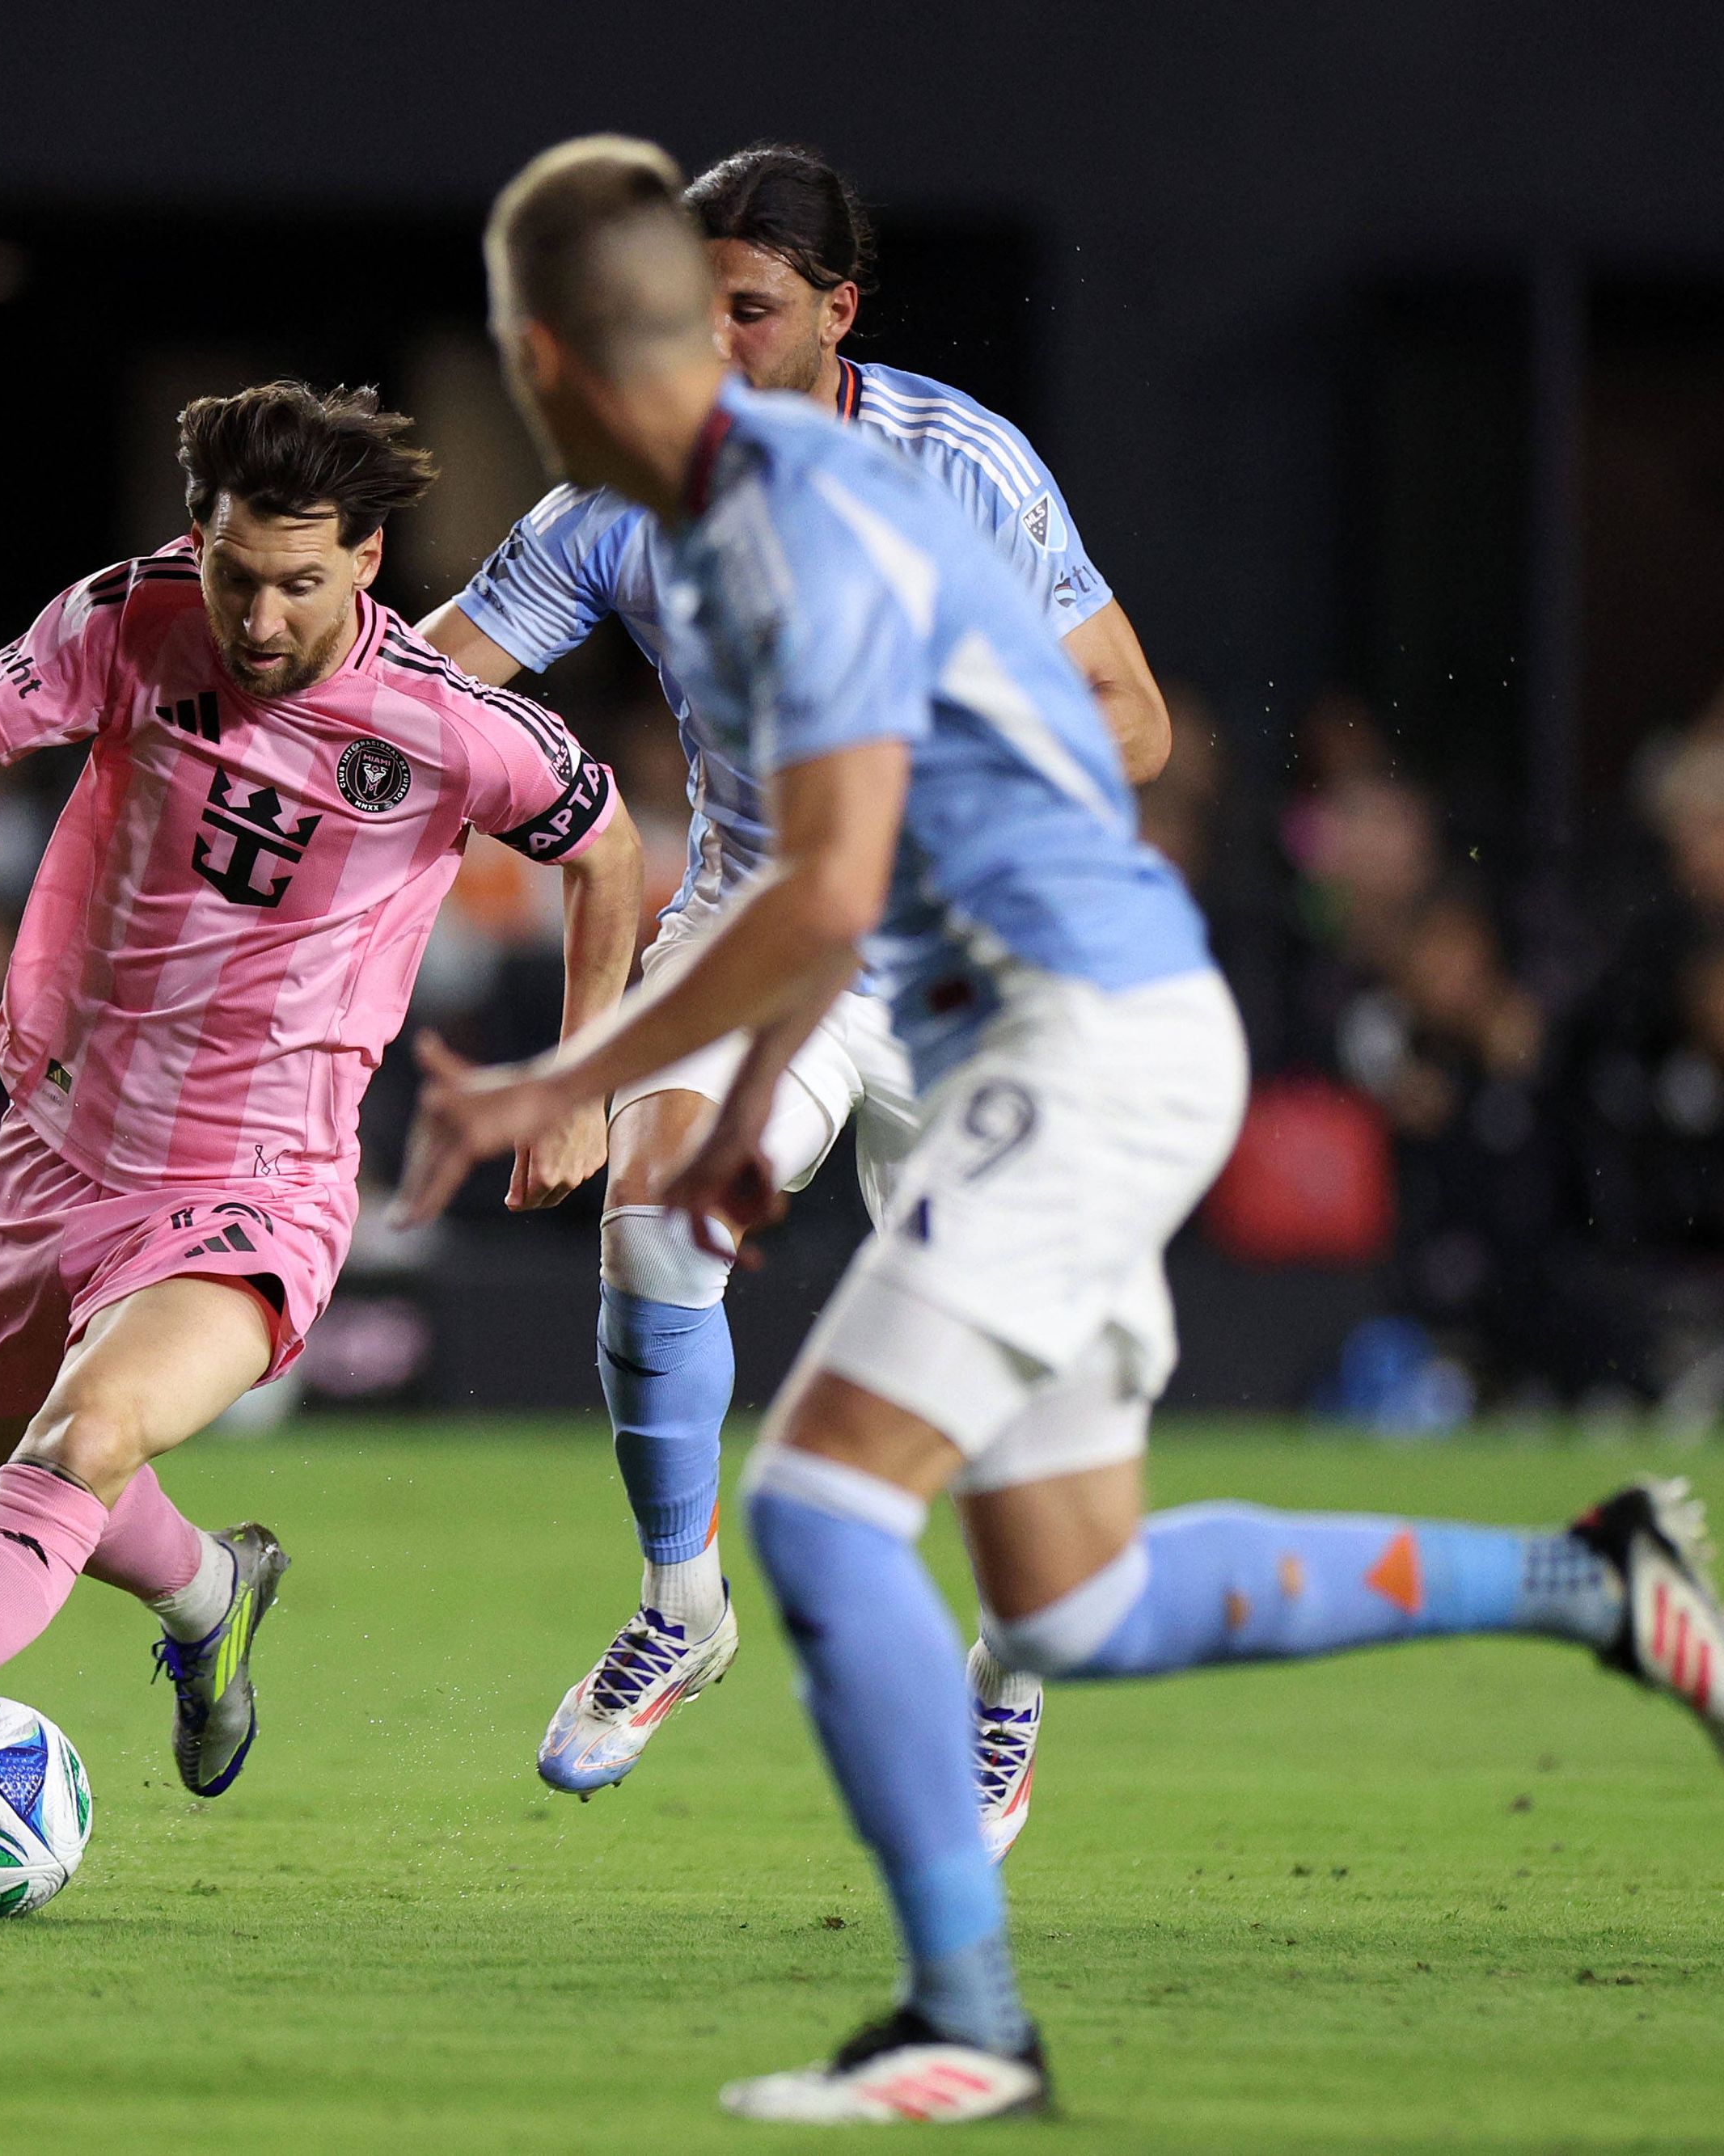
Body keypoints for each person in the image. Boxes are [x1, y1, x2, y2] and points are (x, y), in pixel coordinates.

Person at [404, 138, 1724, 2123]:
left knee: (825, 1503)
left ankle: (964, 2016)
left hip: (1061, 1023)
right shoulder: (678, 510)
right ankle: (1592, 1575)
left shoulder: (858, 506)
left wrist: (579, 1074)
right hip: (1011, 995)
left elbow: (871, 863)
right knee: (1080, 1593)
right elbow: (741, 844)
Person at [0, 382, 646, 1863]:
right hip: (62, 1139)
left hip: (258, 1175)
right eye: (235, 575)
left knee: (80, 1443)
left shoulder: (446, 722)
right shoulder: (130, 617)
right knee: (9, 1480)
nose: (260, 620)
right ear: (196, 541)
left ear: (366, 563)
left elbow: (606, 848)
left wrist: (580, 1078)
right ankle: (211, 1595)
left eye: (299, 584)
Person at [416, 141, 1174, 1810]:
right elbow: (427, 685)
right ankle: (679, 1610)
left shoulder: (960, 467)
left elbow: (1133, 720)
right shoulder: (621, 486)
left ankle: (1003, 1686)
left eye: (747, 308)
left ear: (839, 313)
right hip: (762, 925)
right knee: (653, 1218)